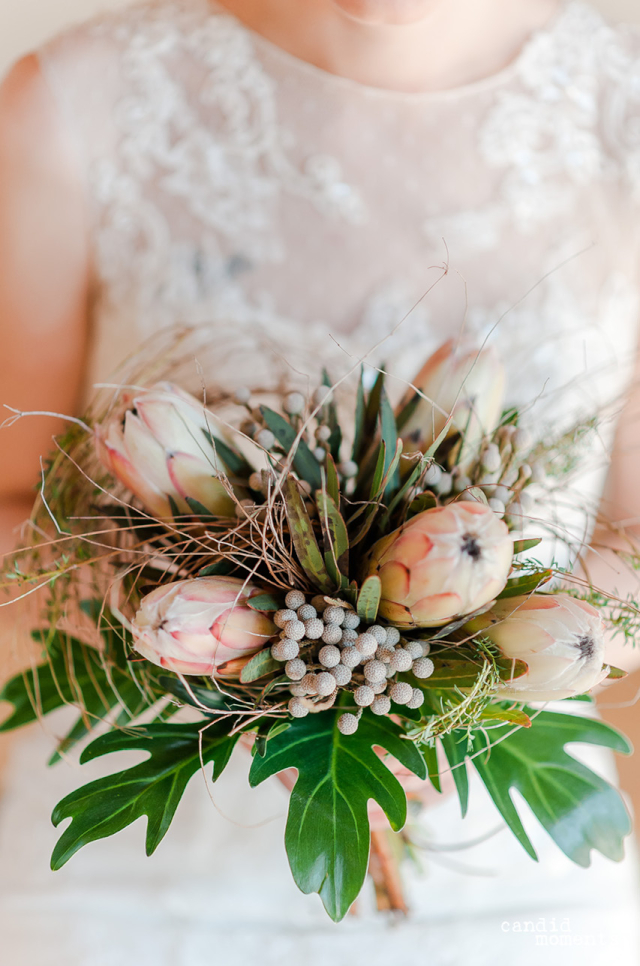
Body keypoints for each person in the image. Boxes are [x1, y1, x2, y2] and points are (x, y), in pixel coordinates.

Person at [1, 0, 640, 962]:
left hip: (520, 891)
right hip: (140, 893)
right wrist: (246, 666)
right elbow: (14, 494)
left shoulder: (618, 101)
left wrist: (463, 674)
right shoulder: (82, 105)